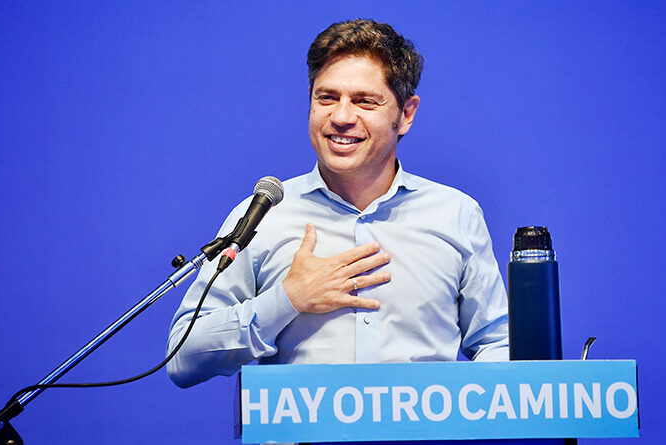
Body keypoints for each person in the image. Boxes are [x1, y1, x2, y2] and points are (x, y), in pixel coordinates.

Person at [166, 19, 508, 389]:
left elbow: (498, 344)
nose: (341, 117)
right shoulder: (263, 216)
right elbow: (182, 359)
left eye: (364, 101)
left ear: (406, 114)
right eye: (327, 98)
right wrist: (286, 299)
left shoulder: (455, 214)